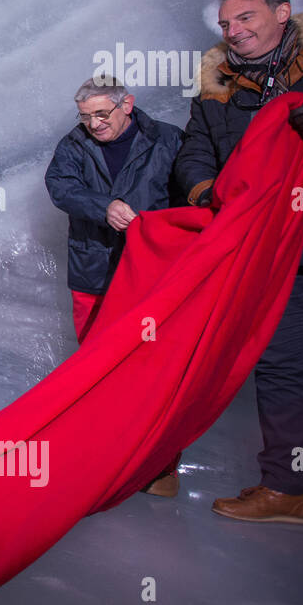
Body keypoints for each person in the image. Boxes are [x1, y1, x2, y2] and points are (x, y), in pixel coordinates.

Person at [175, 0, 303, 524]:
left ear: (283, 12)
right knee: (280, 368)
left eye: (246, 18)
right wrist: (209, 194)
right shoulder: (216, 87)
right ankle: (288, 489)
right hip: (272, 250)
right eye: (227, 25)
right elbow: (194, 151)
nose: (235, 32)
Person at [46, 76, 184, 496]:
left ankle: (159, 466)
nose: (93, 124)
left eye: (102, 114)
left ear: (128, 104)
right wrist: (103, 207)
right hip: (94, 273)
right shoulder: (73, 144)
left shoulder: (168, 139)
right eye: (85, 117)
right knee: (97, 369)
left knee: (155, 370)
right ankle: (102, 458)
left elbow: (191, 193)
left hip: (153, 275)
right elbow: (60, 188)